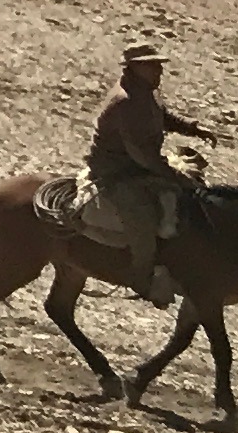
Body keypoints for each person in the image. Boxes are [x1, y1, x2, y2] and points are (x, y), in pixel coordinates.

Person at [80, 40, 214, 304]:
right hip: (117, 170)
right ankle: (141, 277)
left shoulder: (143, 94)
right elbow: (140, 153)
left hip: (138, 165)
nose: (158, 71)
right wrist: (173, 175)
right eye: (151, 66)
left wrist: (192, 128)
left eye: (158, 65)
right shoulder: (125, 101)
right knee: (143, 217)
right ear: (133, 68)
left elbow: (161, 116)